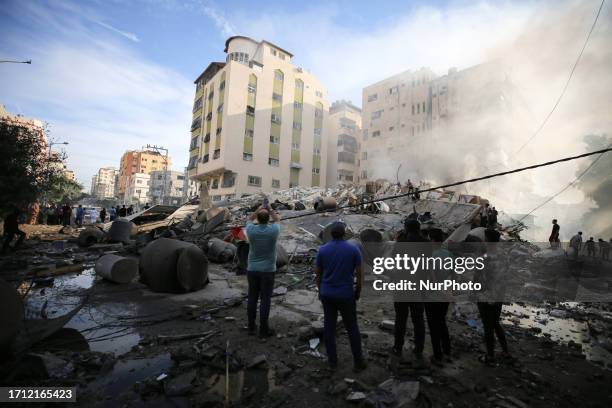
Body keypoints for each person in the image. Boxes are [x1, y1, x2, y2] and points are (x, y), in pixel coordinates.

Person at [315, 221, 366, 371]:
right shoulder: (353, 249)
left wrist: (320, 290)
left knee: (329, 328)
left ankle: (332, 362)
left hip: (327, 294)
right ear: (344, 234)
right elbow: (360, 273)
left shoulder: (323, 250)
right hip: (345, 294)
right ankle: (358, 362)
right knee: (352, 328)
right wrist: (358, 291)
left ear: (331, 235)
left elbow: (318, 274)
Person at [392, 218, 429, 359]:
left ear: (406, 228)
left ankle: (397, 348)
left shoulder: (401, 243)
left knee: (400, 319)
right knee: (418, 320)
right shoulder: (426, 243)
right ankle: (419, 349)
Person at [476, 228, 510, 366]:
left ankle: (490, 356)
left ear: (487, 240)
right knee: (495, 323)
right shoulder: (504, 256)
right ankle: (506, 351)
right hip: (499, 295)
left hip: (485, 296)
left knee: (488, 326)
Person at [245, 205, 281, 337]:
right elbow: (277, 220)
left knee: (252, 297)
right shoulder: (273, 231)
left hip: (252, 269)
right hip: (268, 270)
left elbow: (249, 218)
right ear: (268, 219)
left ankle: (251, 327)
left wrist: (258, 209)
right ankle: (263, 329)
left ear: (258, 219)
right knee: (265, 299)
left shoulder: (251, 230)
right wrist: (270, 208)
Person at [424, 228, 453, 366]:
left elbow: (432, 278)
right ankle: (447, 350)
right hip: (446, 294)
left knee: (433, 325)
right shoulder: (449, 254)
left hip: (433, 295)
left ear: (433, 240)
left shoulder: (431, 257)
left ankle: (437, 355)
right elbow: (453, 275)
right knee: (442, 322)